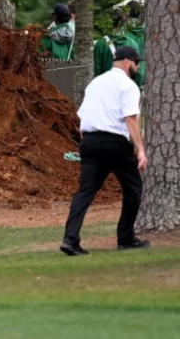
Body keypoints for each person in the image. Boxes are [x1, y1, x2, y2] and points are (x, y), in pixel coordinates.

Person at [61, 46, 150, 256]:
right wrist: (141, 150)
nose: (138, 67)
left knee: (85, 192)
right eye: (137, 63)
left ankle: (70, 239)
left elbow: (84, 116)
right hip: (114, 142)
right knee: (133, 188)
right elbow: (130, 118)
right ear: (128, 62)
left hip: (90, 141)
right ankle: (125, 238)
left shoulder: (95, 83)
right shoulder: (128, 85)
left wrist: (87, 144)